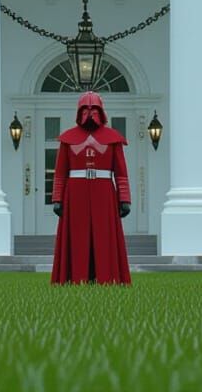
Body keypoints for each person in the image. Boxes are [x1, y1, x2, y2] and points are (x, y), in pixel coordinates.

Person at [50, 91, 131, 285]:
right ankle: (76, 277)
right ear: (79, 112)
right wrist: (57, 198)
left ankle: (106, 277)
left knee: (104, 236)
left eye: (93, 109)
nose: (89, 113)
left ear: (101, 111)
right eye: (85, 109)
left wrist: (124, 199)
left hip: (104, 192)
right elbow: (60, 171)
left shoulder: (113, 138)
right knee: (77, 237)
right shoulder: (67, 139)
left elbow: (121, 171)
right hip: (75, 193)